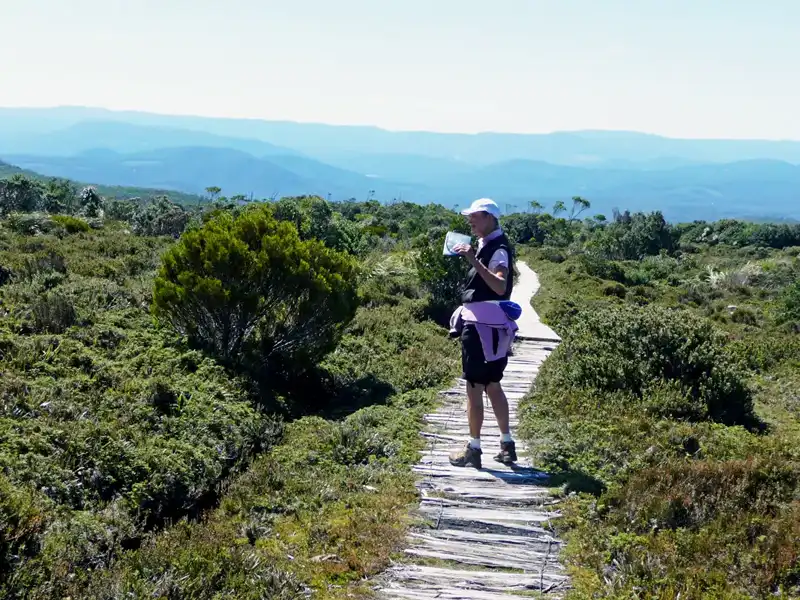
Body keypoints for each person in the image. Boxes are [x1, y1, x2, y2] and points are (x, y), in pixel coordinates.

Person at [447, 198, 517, 469]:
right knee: (493, 385)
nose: (470, 221)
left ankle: (474, 449)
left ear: (489, 217)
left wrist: (472, 259)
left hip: (480, 328)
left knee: (474, 388)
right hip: (496, 329)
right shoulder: (491, 244)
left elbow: (499, 286)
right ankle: (507, 445)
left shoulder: (496, 249)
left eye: (475, 217)